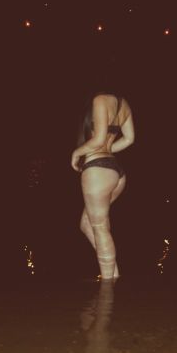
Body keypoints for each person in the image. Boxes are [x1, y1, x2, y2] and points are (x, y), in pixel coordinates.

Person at [71, 93, 135, 280]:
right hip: (115, 171)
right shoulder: (123, 104)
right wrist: (107, 150)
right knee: (86, 224)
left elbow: (98, 140)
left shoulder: (100, 100)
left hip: (97, 171)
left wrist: (77, 153)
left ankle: (108, 287)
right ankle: (113, 273)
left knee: (99, 227)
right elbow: (129, 139)